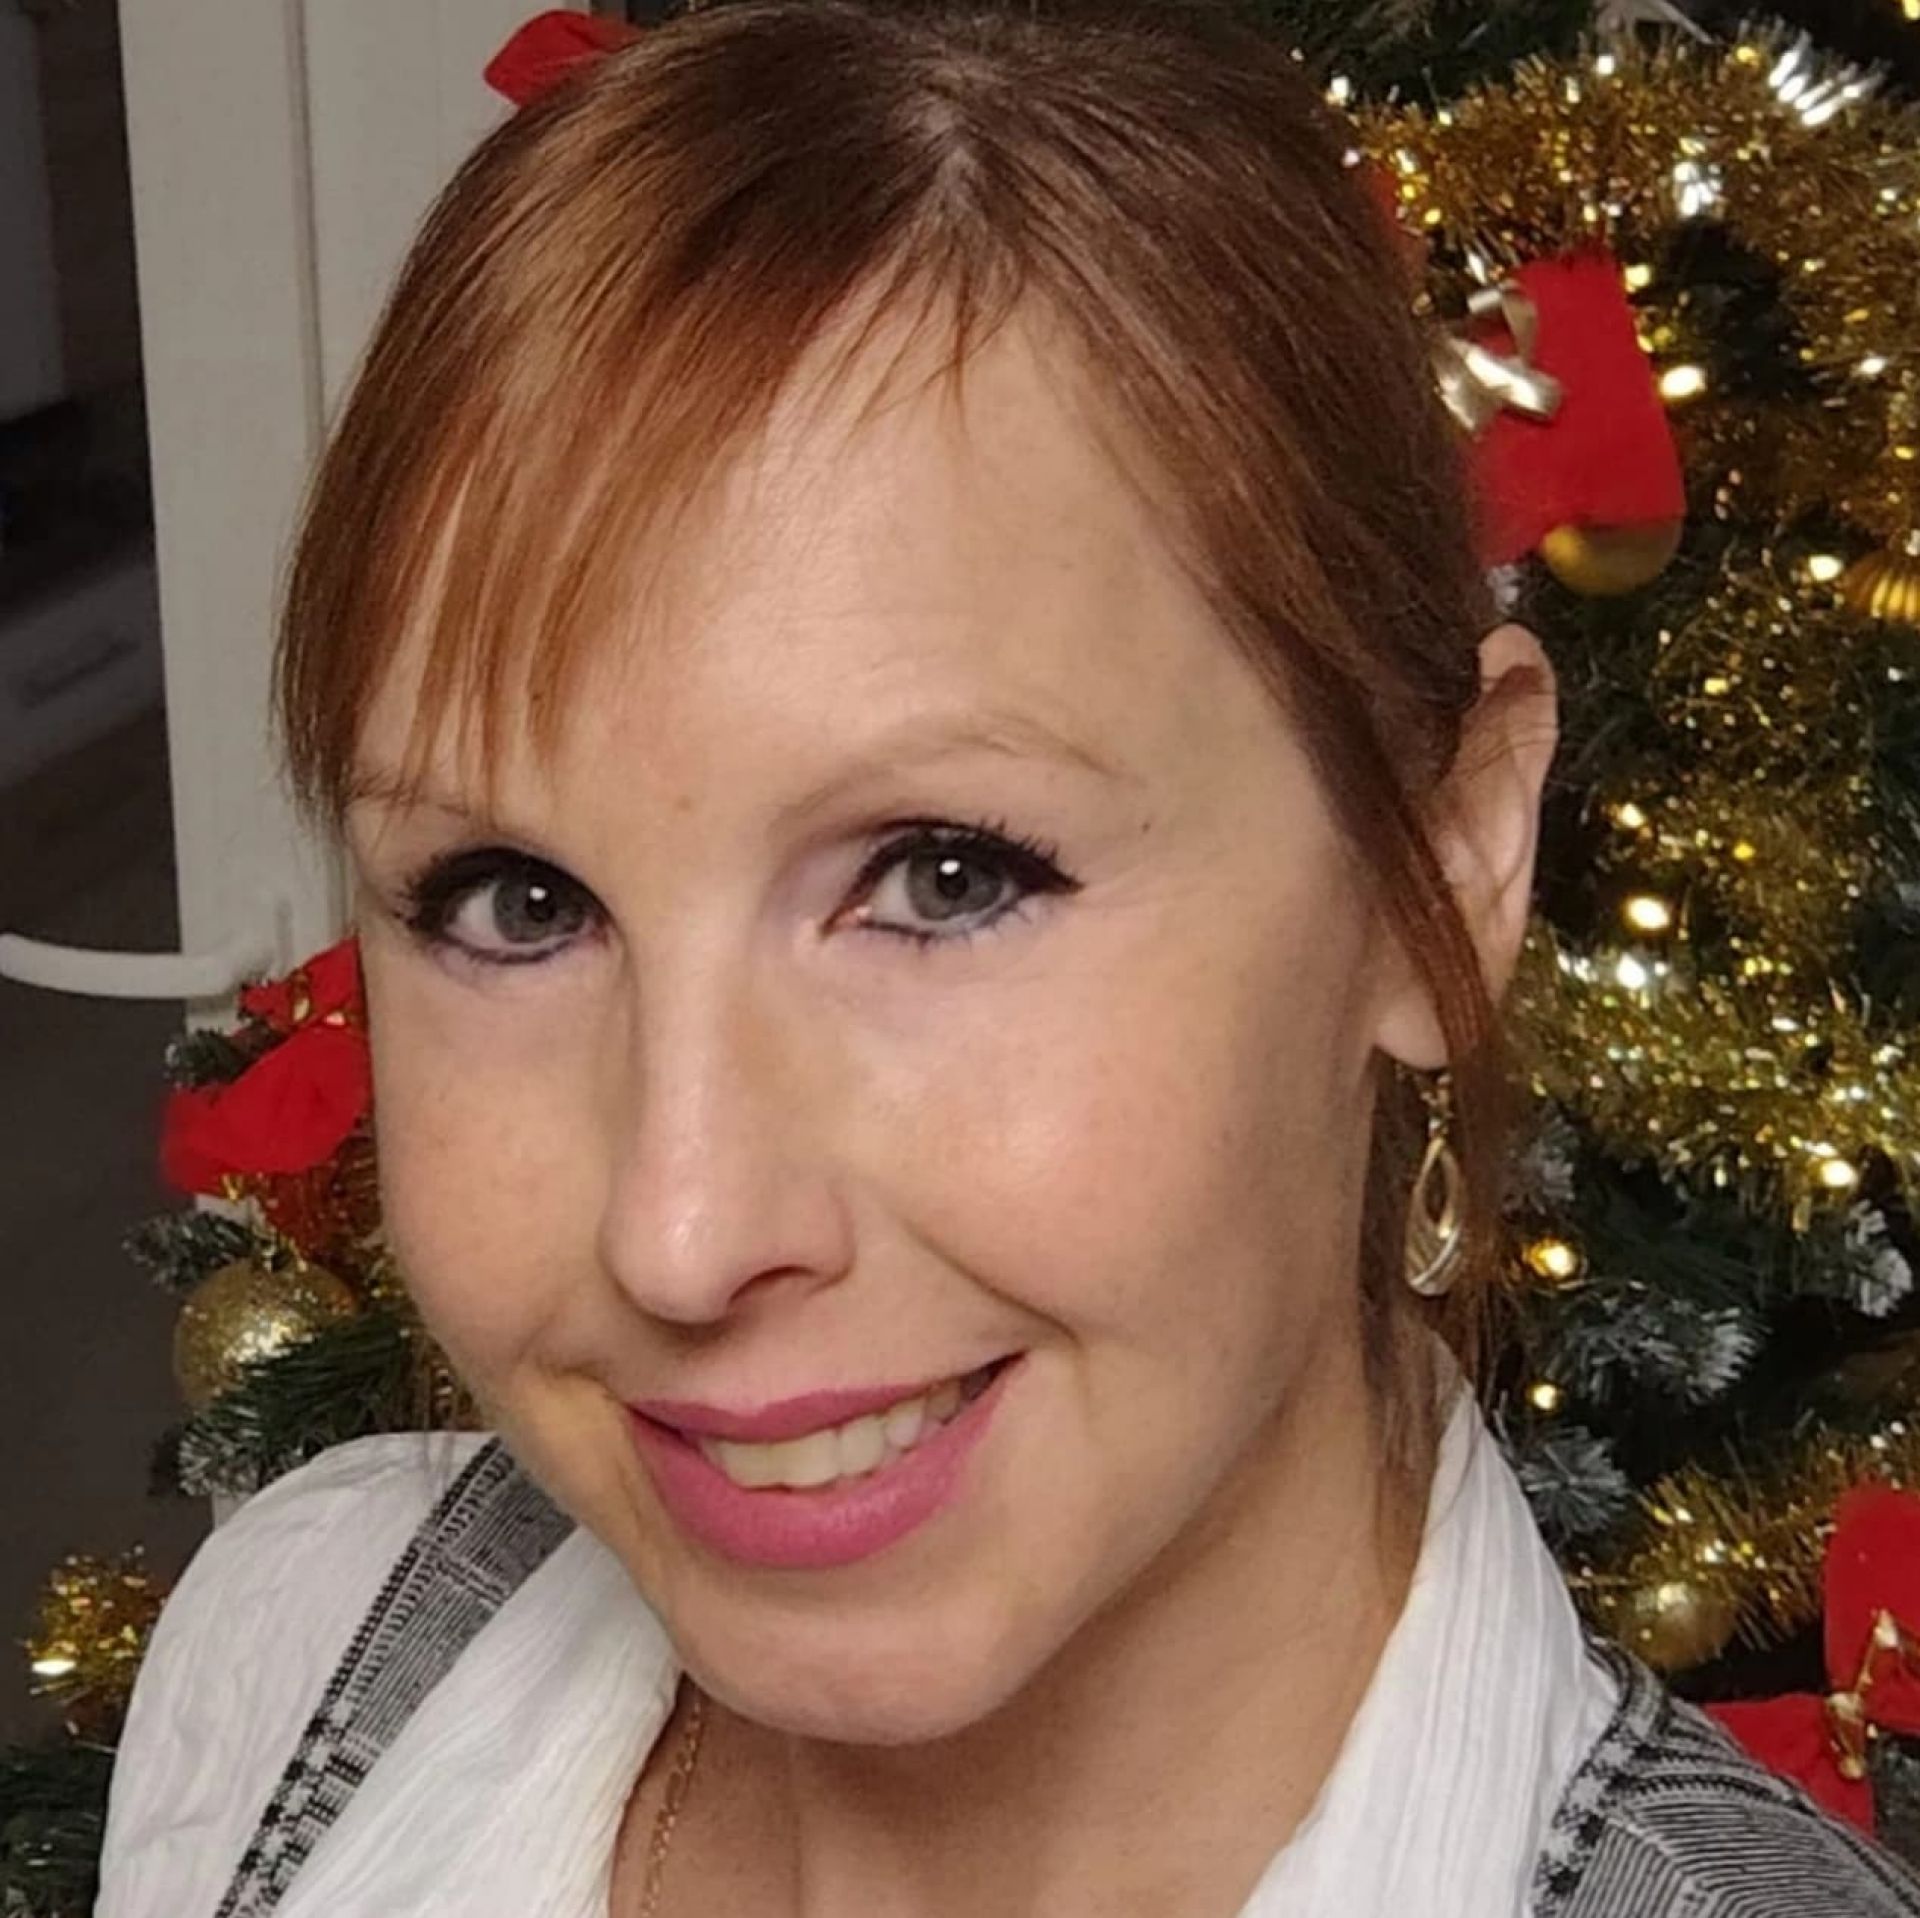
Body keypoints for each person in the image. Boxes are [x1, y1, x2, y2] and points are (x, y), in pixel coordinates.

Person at [93, 3, 1920, 1914]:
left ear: (1440, 862)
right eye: (516, 903)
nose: (680, 1231)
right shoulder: (302, 1638)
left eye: (947, 876)